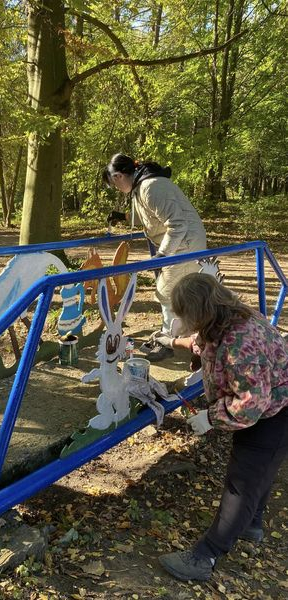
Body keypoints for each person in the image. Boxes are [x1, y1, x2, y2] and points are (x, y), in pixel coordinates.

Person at [156, 273, 288, 582]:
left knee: (242, 482)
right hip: (268, 406)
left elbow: (251, 405)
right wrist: (177, 342)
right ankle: (251, 525)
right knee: (260, 472)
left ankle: (206, 556)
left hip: (276, 412)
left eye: (184, 315)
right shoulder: (228, 317)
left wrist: (211, 417)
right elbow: (209, 342)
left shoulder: (241, 343)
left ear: (199, 311)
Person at [103, 154, 207, 362]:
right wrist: (122, 216)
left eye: (113, 183)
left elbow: (178, 224)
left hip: (184, 245)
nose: (115, 188)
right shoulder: (142, 187)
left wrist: (162, 256)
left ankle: (167, 342)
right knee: (182, 293)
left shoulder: (151, 186)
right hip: (181, 244)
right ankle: (191, 336)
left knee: (166, 292)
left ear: (118, 176)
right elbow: (148, 215)